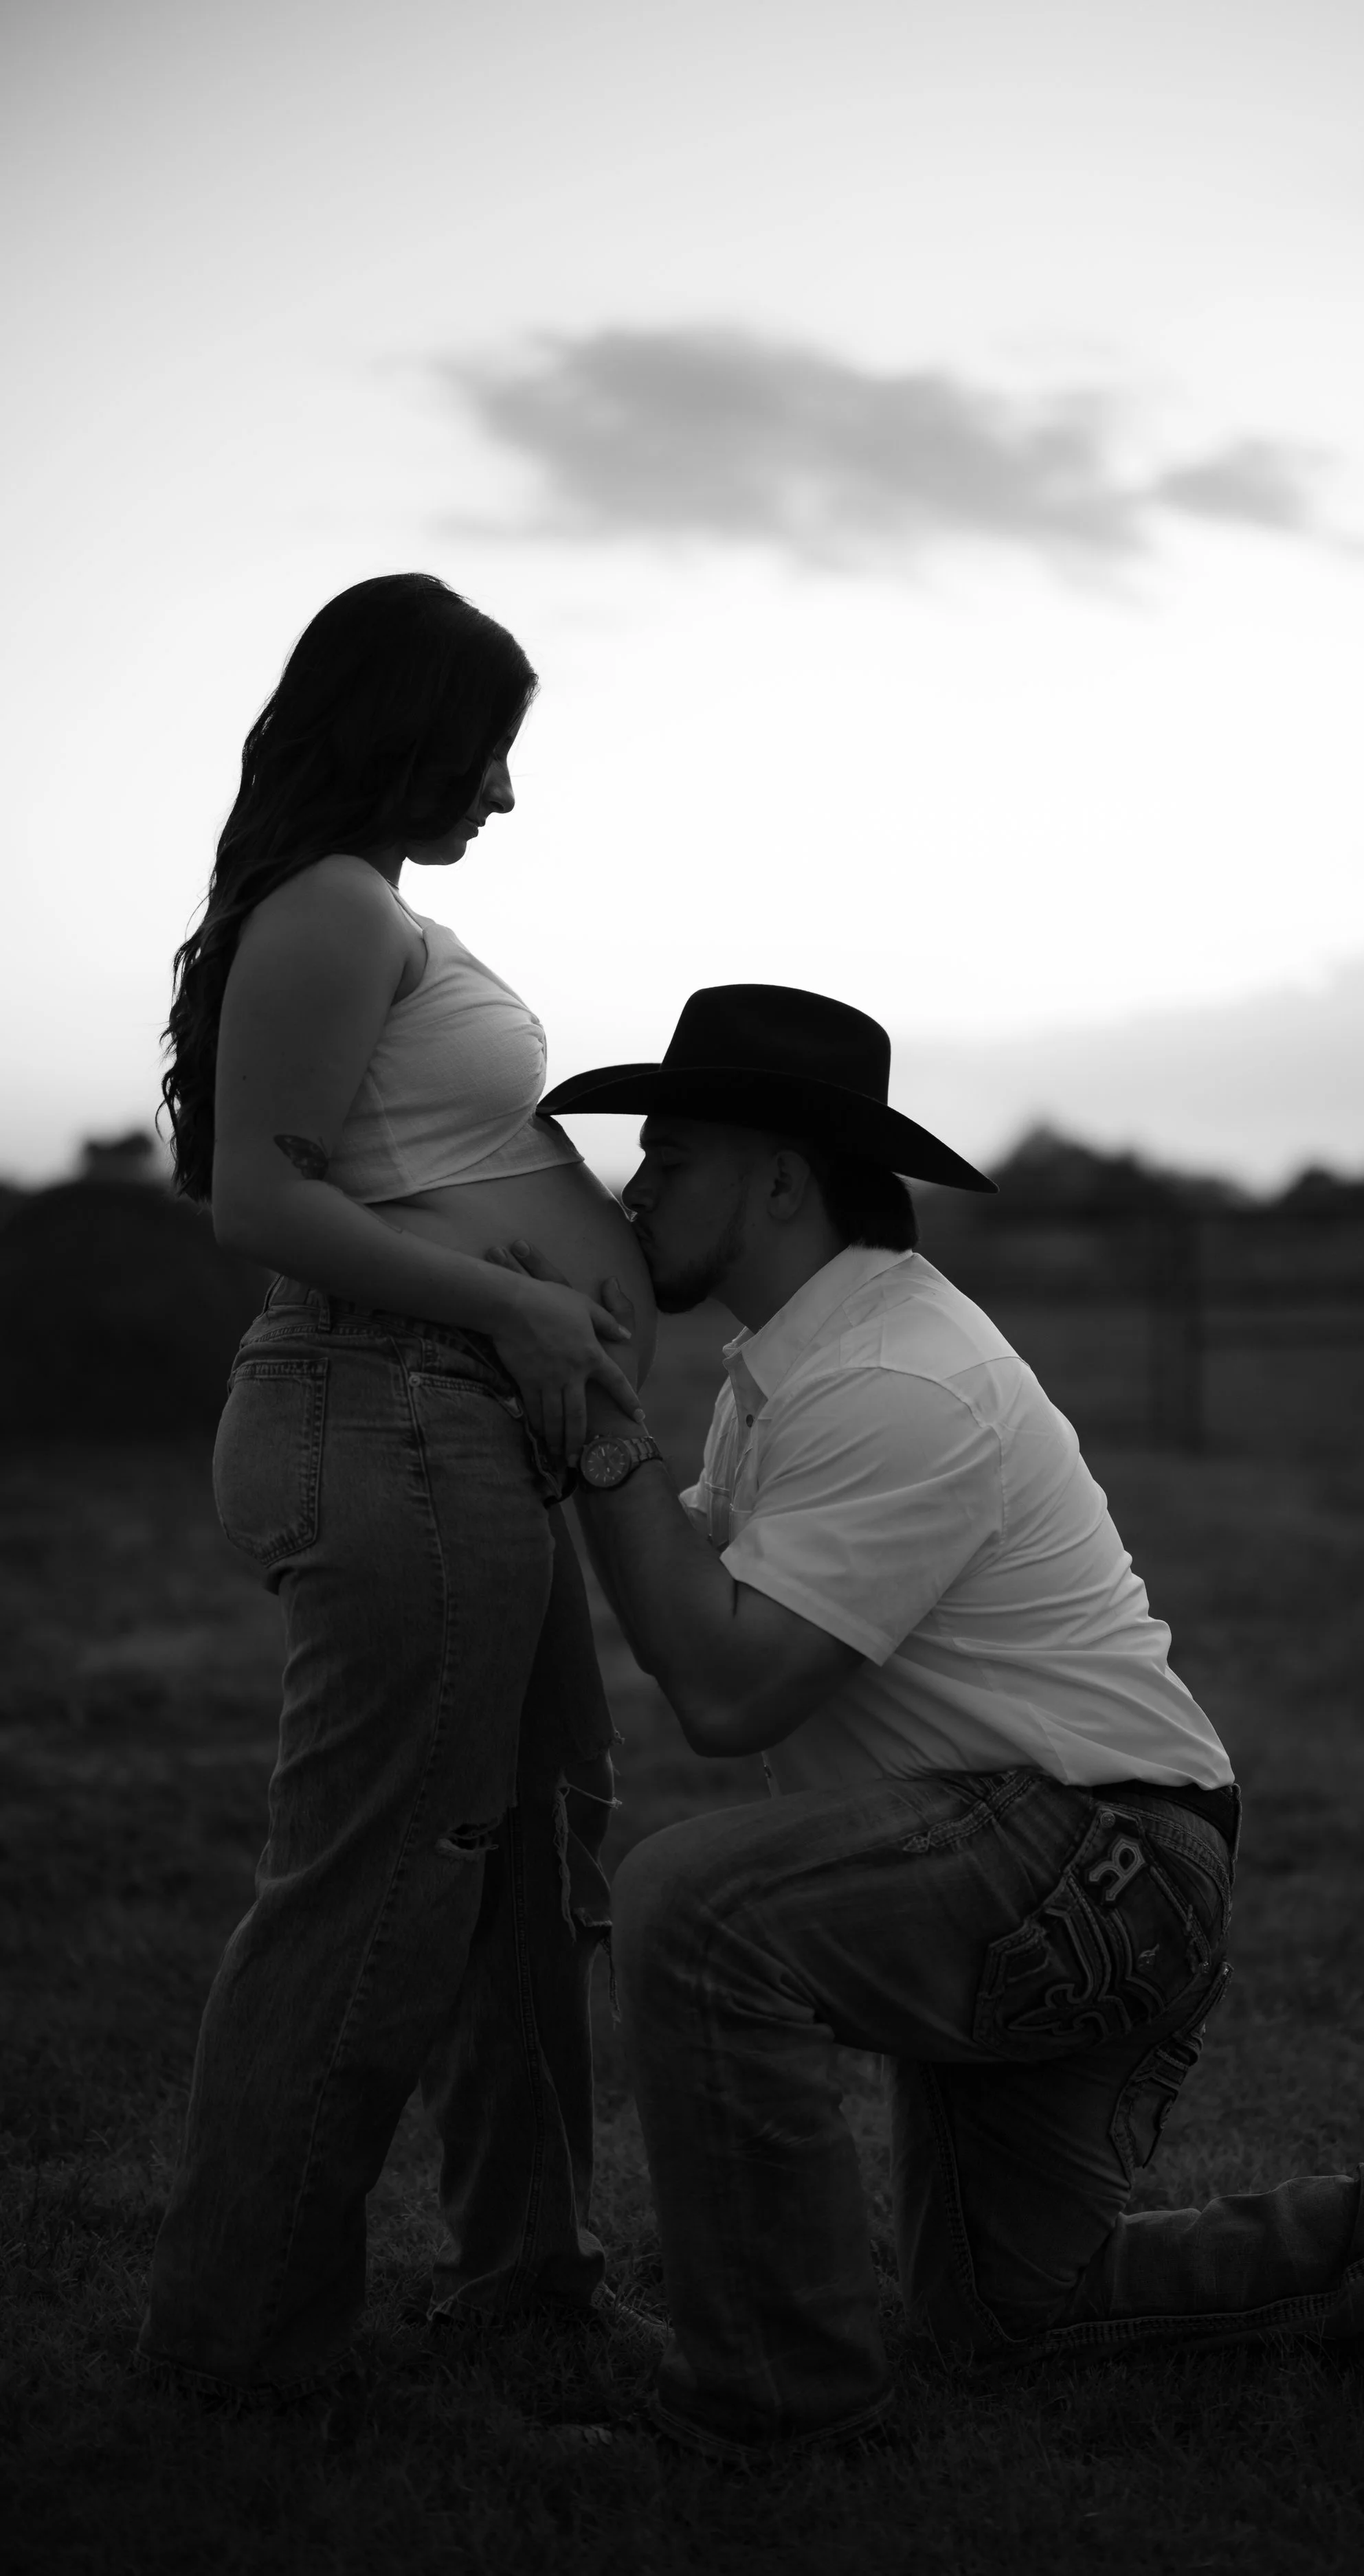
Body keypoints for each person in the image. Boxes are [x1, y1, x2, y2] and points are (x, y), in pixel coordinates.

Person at [501, 980, 1364, 2465]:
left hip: (1093, 1858)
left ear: (781, 1178)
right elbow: (682, 1563)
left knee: (694, 1911)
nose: (636, 1188)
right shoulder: (792, 1364)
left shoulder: (898, 1378)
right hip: (1058, 1857)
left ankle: (768, 2407)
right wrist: (597, 1420)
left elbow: (722, 1687)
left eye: (672, 1155)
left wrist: (595, 1425)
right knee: (997, 2315)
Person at [139, 572, 660, 2399]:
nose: (505, 793)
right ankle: (242, 2336)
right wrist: (522, 1299)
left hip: (458, 1430)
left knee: (530, 1870)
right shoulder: (333, 910)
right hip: (390, 1422)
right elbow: (261, 1202)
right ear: (408, 725)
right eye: (490, 744)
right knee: (373, 1881)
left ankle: (532, 2278)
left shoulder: (372, 913)